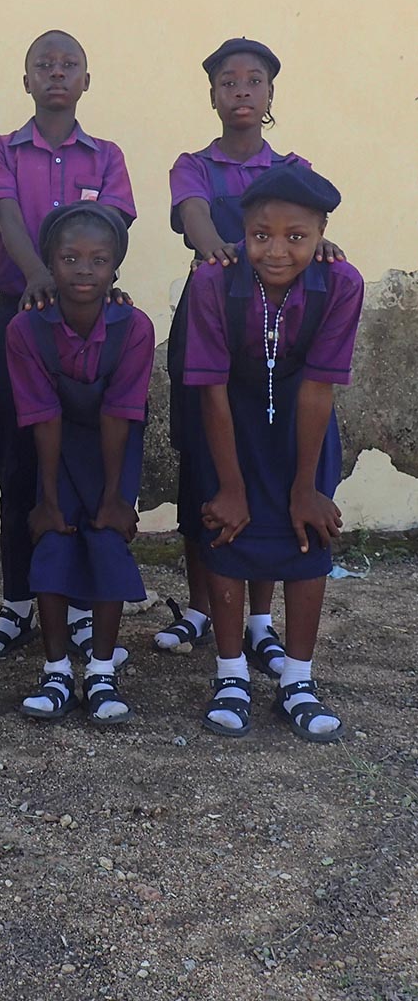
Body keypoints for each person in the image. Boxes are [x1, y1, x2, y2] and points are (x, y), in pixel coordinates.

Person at [156, 38, 342, 679]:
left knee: (275, 451)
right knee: (203, 461)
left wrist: (300, 249)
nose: (240, 90)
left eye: (253, 80)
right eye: (227, 81)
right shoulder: (194, 164)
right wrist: (236, 253)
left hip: (281, 308)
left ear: (269, 94)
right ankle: (207, 606)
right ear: (212, 94)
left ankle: (260, 622)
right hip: (220, 308)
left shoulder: (293, 167)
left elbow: (307, 231)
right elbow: (197, 221)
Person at [0, 30, 136, 665]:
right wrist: (39, 275)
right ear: (27, 78)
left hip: (93, 325)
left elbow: (113, 231)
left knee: (82, 468)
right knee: (20, 468)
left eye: (69, 66)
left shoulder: (108, 156)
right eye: (44, 65)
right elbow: (6, 214)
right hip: (21, 319)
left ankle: (84, 610)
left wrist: (97, 287)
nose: (56, 73)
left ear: (86, 80)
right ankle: (18, 603)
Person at [184, 164, 362, 741]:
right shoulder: (214, 281)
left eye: (296, 236)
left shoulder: (340, 283)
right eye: (261, 235)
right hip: (229, 417)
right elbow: (210, 385)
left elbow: (318, 385)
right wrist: (230, 485)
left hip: (302, 425)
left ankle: (298, 679)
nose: (278, 250)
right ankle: (230, 673)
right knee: (227, 531)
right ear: (242, 232)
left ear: (321, 233)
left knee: (307, 534)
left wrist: (306, 484)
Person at [6, 205, 154, 723]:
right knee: (52, 539)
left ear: (116, 267)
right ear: (49, 261)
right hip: (54, 447)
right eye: (70, 258)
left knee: (107, 539)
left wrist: (115, 496)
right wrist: (47, 498)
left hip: (113, 447)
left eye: (98, 259)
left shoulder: (135, 328)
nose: (84, 270)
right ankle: (55, 674)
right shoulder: (25, 330)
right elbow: (43, 417)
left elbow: (120, 413)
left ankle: (101, 674)